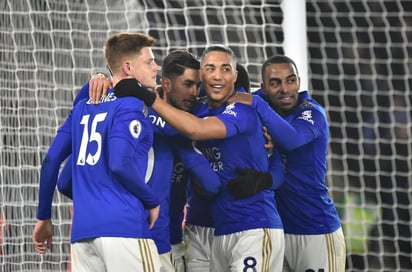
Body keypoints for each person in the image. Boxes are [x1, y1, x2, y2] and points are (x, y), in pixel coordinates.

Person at [121, 45, 285, 271]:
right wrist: (104, 79)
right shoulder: (192, 109)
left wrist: (266, 177)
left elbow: (199, 141)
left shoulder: (240, 111)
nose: (193, 92)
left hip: (250, 225)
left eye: (226, 70)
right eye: (208, 71)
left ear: (235, 78)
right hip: (200, 230)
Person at [32, 32, 162, 272]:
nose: (156, 67)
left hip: (82, 235)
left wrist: (43, 217)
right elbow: (119, 164)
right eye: (149, 61)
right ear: (128, 67)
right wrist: (152, 202)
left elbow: (51, 161)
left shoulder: (82, 107)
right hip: (124, 228)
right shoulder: (132, 105)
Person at [231, 55, 347, 271]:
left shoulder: (312, 112)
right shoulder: (263, 103)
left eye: (290, 80)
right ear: (264, 87)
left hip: (316, 229)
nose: (284, 89)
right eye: (275, 83)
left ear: (299, 82)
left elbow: (292, 139)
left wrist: (256, 103)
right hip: (279, 230)